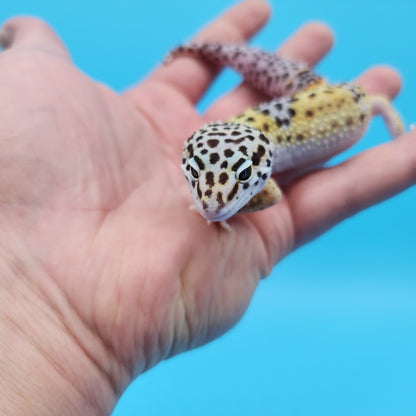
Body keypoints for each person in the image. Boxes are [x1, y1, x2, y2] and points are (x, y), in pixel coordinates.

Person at [0, 0, 414, 414]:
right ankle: (217, 52)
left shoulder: (274, 150)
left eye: (235, 189)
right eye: (198, 179)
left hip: (340, 104)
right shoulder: (235, 142)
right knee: (257, 69)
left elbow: (270, 193)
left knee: (372, 98)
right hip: (277, 113)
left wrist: (390, 120)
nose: (215, 205)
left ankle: (221, 53)